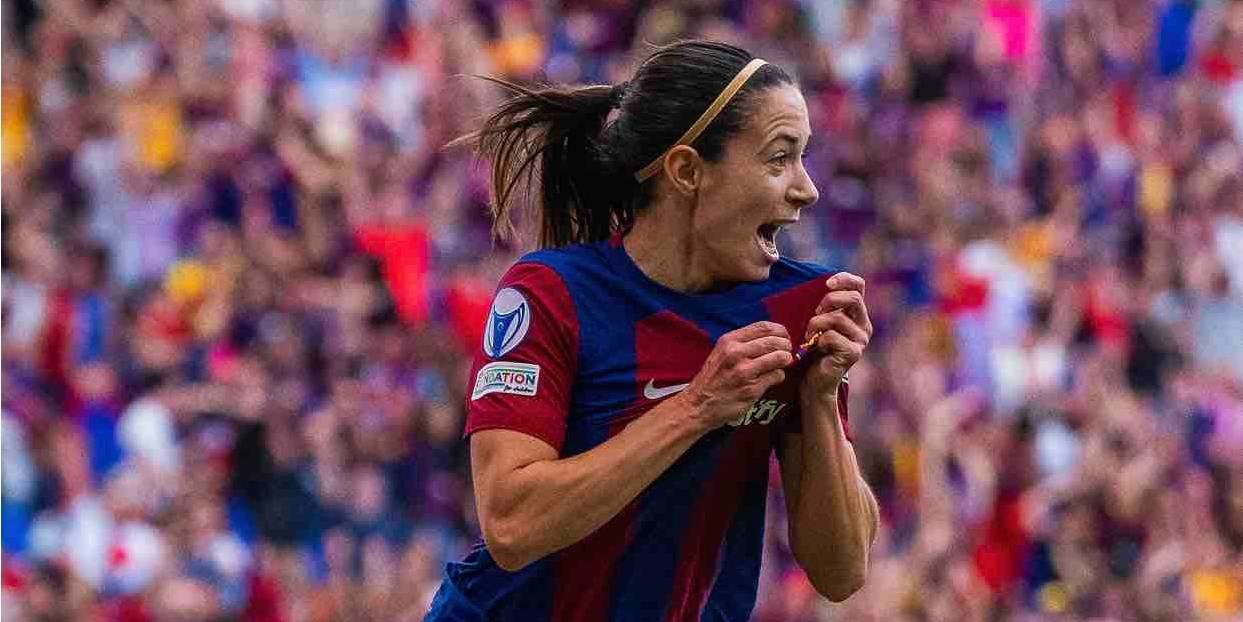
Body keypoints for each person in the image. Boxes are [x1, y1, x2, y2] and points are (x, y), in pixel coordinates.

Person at [425, 40, 879, 621]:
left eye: (803, 157)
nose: (806, 189)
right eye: (778, 158)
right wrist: (697, 407)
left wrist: (817, 398)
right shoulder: (550, 293)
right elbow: (512, 525)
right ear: (687, 170)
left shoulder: (798, 306)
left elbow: (841, 573)